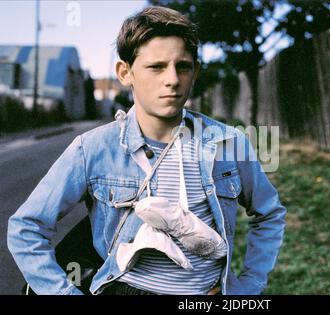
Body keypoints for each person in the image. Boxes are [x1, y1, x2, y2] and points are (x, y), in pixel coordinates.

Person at [7, 6, 286, 295]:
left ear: (196, 71)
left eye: (183, 66)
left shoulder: (228, 143)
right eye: (156, 67)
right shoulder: (92, 148)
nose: (173, 80)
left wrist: (247, 287)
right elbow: (26, 228)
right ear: (125, 73)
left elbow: (269, 214)